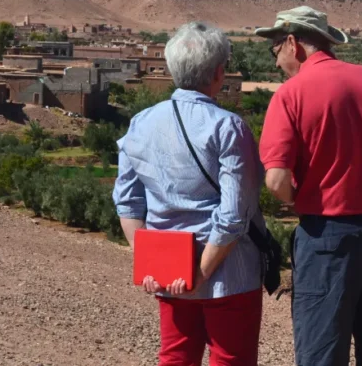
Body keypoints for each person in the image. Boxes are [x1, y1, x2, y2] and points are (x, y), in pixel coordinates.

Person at [256, 6, 362, 366]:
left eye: (275, 51)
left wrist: (307, 196)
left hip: (327, 237)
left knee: (322, 351)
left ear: (292, 43)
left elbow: (276, 180)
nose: (275, 62)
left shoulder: (290, 95)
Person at [113, 22, 265, 366]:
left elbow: (127, 200)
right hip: (229, 274)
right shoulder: (227, 126)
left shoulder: (141, 122)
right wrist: (202, 272)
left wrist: (149, 262)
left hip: (168, 272)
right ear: (218, 73)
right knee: (231, 359)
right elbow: (233, 214)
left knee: (176, 357)